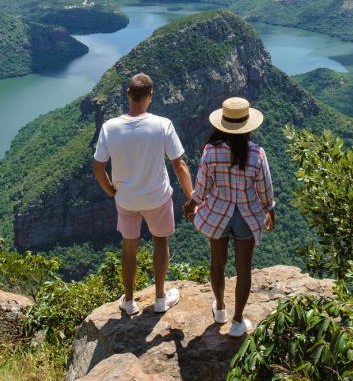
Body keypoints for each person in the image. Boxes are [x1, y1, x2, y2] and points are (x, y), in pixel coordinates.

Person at [92, 72, 194, 316]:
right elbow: (179, 165)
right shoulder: (162, 124)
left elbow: (98, 167)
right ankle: (160, 298)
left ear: (128, 95)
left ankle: (128, 301)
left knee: (129, 249)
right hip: (157, 198)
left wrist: (110, 190)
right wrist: (192, 197)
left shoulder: (109, 127)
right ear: (150, 96)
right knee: (160, 243)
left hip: (125, 199)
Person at [184, 96, 275, 337]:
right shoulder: (257, 154)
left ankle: (221, 309)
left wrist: (190, 205)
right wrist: (269, 210)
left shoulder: (210, 152)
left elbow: (202, 188)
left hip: (217, 214)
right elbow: (265, 189)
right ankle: (237, 321)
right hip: (246, 216)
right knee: (243, 268)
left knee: (217, 263)